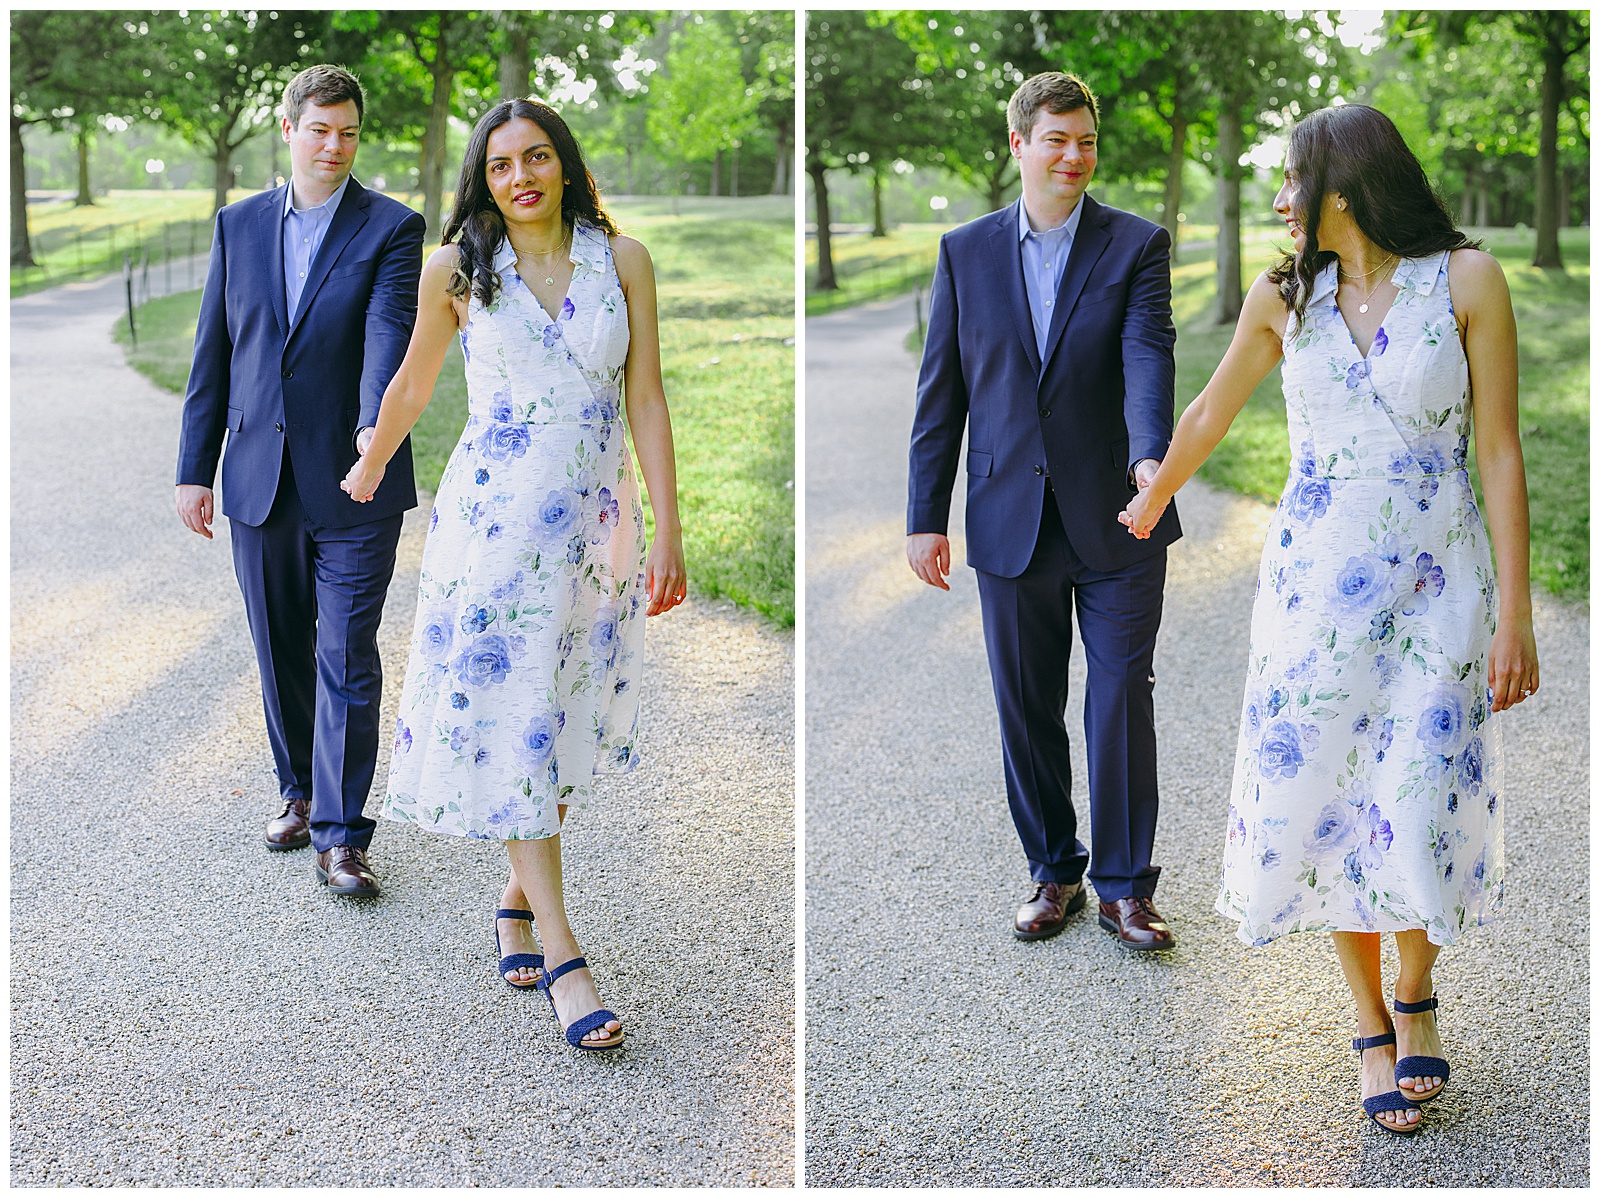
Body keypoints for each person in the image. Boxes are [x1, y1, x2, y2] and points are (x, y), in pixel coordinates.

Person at [1120, 104, 1539, 1133]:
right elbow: (1210, 410)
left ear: (1341, 189)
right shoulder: (1282, 295)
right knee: (1326, 798)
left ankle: (1415, 989)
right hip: (1313, 593)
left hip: (1439, 590)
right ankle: (1366, 1019)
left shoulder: (1468, 282)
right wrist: (1152, 491)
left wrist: (1515, 612)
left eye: (1290, 181)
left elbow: (1498, 452)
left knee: (1420, 791)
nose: (1276, 200)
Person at [340, 98, 687, 1052]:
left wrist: (667, 528)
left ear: (565, 164)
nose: (521, 177)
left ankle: (514, 902)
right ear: (482, 179)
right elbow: (414, 381)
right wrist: (372, 462)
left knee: (562, 717)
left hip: (596, 527)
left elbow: (646, 398)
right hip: (493, 526)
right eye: (500, 166)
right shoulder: (457, 268)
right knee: (519, 721)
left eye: (537, 158)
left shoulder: (624, 263)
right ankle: (568, 960)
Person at [906, 72, 1181, 949]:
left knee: (1118, 697)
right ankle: (1053, 869)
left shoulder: (1138, 244)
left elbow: (1148, 354)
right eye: (1056, 140)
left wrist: (1152, 459)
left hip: (1119, 513)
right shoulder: (964, 251)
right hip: (1004, 514)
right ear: (1019, 145)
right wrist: (925, 513)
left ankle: (1126, 887)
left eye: (1086, 141)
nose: (1074, 156)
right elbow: (941, 390)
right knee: (1025, 703)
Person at [176, 65, 426, 896]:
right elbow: (215, 350)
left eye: (349, 132)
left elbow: (388, 334)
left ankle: (343, 837)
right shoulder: (236, 226)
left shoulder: (392, 226)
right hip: (256, 478)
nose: (334, 146)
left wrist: (373, 436)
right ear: (289, 130)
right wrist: (192, 468)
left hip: (359, 480)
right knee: (279, 645)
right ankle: (299, 790)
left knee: (346, 650)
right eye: (320, 130)